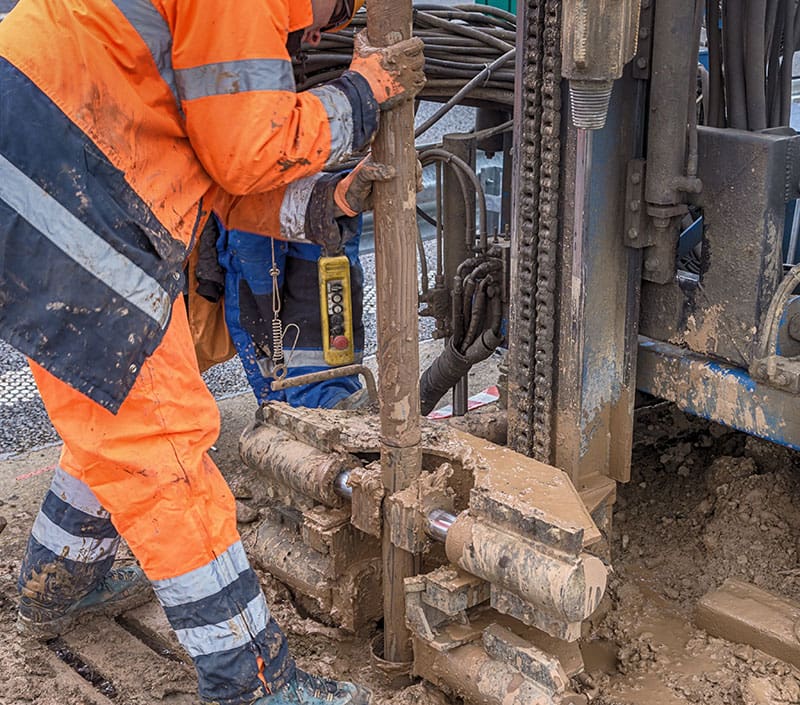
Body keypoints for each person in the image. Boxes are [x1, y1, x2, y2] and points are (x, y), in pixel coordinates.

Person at [0, 1, 424, 704]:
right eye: (337, 10)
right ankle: (255, 682)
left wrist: (330, 200)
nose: (315, 33)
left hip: (55, 169)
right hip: (65, 181)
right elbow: (247, 153)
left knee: (116, 408)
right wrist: (363, 92)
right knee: (165, 441)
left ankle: (61, 580)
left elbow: (224, 176)